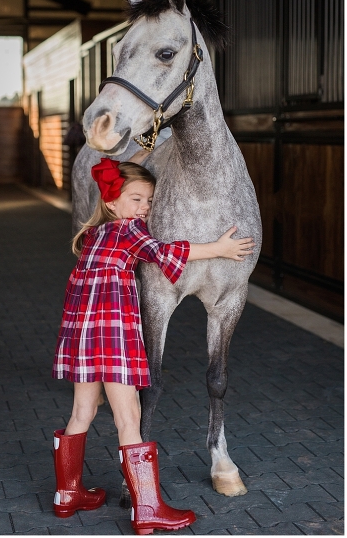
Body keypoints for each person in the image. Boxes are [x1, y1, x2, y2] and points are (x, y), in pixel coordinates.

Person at [52, 159, 254, 534]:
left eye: (149, 200)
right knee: (128, 419)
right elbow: (165, 252)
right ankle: (147, 509)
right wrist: (219, 248)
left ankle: (68, 495)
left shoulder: (94, 235)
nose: (145, 207)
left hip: (82, 339)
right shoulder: (128, 231)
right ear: (112, 201)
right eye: (136, 199)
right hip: (113, 338)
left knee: (82, 412)